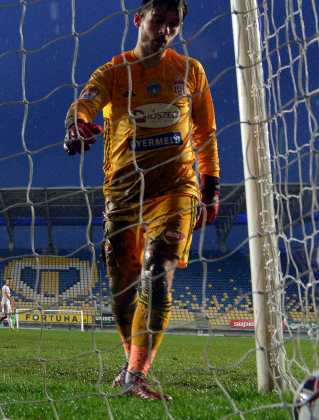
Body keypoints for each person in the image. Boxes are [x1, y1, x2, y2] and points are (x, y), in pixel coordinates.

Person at [63, 0, 219, 401]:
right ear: (139, 19)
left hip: (175, 189)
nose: (165, 30)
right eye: (158, 20)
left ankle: (135, 375)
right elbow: (85, 102)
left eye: (173, 24)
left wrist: (211, 185)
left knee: (158, 268)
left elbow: (205, 134)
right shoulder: (114, 72)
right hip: (124, 194)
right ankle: (131, 367)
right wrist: (78, 125)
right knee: (123, 290)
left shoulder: (190, 71)